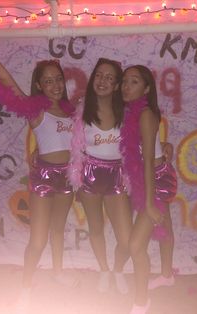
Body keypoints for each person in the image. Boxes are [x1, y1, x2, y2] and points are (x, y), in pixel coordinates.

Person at [0, 42, 78, 313]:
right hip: (45, 176)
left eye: (58, 79)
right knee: (37, 239)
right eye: (47, 81)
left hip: (68, 177)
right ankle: (26, 288)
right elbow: (3, 76)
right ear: (39, 85)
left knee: (58, 229)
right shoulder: (35, 110)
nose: (55, 84)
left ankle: (58, 272)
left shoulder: (73, 112)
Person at [69, 57, 133, 294]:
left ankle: (118, 270)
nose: (102, 81)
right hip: (89, 174)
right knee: (96, 228)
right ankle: (104, 270)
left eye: (109, 77)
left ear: (117, 85)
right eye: (99, 75)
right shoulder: (80, 109)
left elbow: (144, 140)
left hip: (117, 175)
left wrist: (164, 145)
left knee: (126, 239)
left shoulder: (127, 112)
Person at [120, 65, 177, 314]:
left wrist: (150, 203)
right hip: (154, 172)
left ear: (145, 88)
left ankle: (142, 301)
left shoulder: (143, 114)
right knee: (166, 226)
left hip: (155, 178)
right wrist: (165, 145)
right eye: (124, 81)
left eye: (133, 82)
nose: (126, 86)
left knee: (135, 246)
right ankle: (166, 275)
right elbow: (150, 147)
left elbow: (146, 163)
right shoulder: (133, 111)